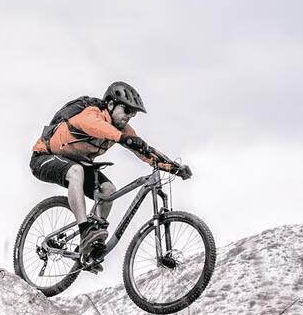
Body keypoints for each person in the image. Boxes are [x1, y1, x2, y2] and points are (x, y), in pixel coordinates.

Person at [29, 80, 191, 266]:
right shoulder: (92, 112)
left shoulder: (123, 129)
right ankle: (85, 230)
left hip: (78, 162)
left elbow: (145, 151)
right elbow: (92, 125)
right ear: (111, 104)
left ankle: (90, 246)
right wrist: (122, 138)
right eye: (127, 110)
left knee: (108, 190)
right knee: (76, 171)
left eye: (133, 114)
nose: (129, 117)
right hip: (44, 157)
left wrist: (172, 167)